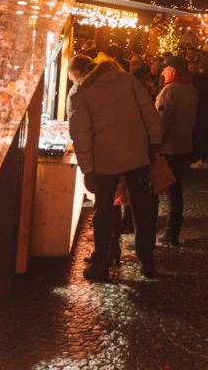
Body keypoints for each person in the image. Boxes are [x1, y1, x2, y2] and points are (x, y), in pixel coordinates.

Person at [67, 51, 163, 282]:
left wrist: (87, 169)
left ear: (79, 73)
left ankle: (101, 263)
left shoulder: (80, 91)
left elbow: (81, 134)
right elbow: (149, 113)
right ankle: (147, 261)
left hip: (104, 160)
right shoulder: (127, 80)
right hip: (136, 154)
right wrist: (154, 143)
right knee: (142, 209)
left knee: (104, 210)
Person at [155, 57, 198, 246]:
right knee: (176, 190)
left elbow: (161, 121)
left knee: (158, 190)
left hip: (168, 148)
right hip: (183, 146)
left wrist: (154, 143)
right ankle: (173, 231)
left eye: (164, 70)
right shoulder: (190, 88)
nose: (162, 73)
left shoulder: (170, 90)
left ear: (172, 70)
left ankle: (163, 233)